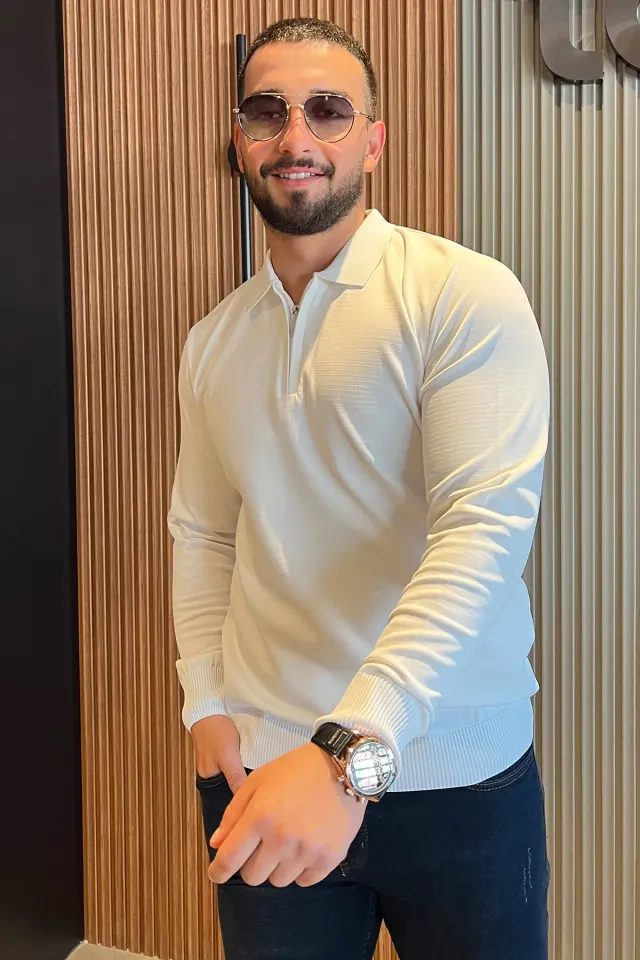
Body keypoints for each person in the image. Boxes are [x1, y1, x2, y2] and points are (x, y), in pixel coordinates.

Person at [168, 16, 550, 960]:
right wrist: (205, 700)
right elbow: (204, 533)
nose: (295, 135)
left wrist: (347, 753)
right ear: (240, 140)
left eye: (327, 110)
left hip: (457, 779)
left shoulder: (462, 295)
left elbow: (480, 531)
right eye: (267, 111)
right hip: (266, 771)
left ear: (372, 141)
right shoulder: (213, 342)